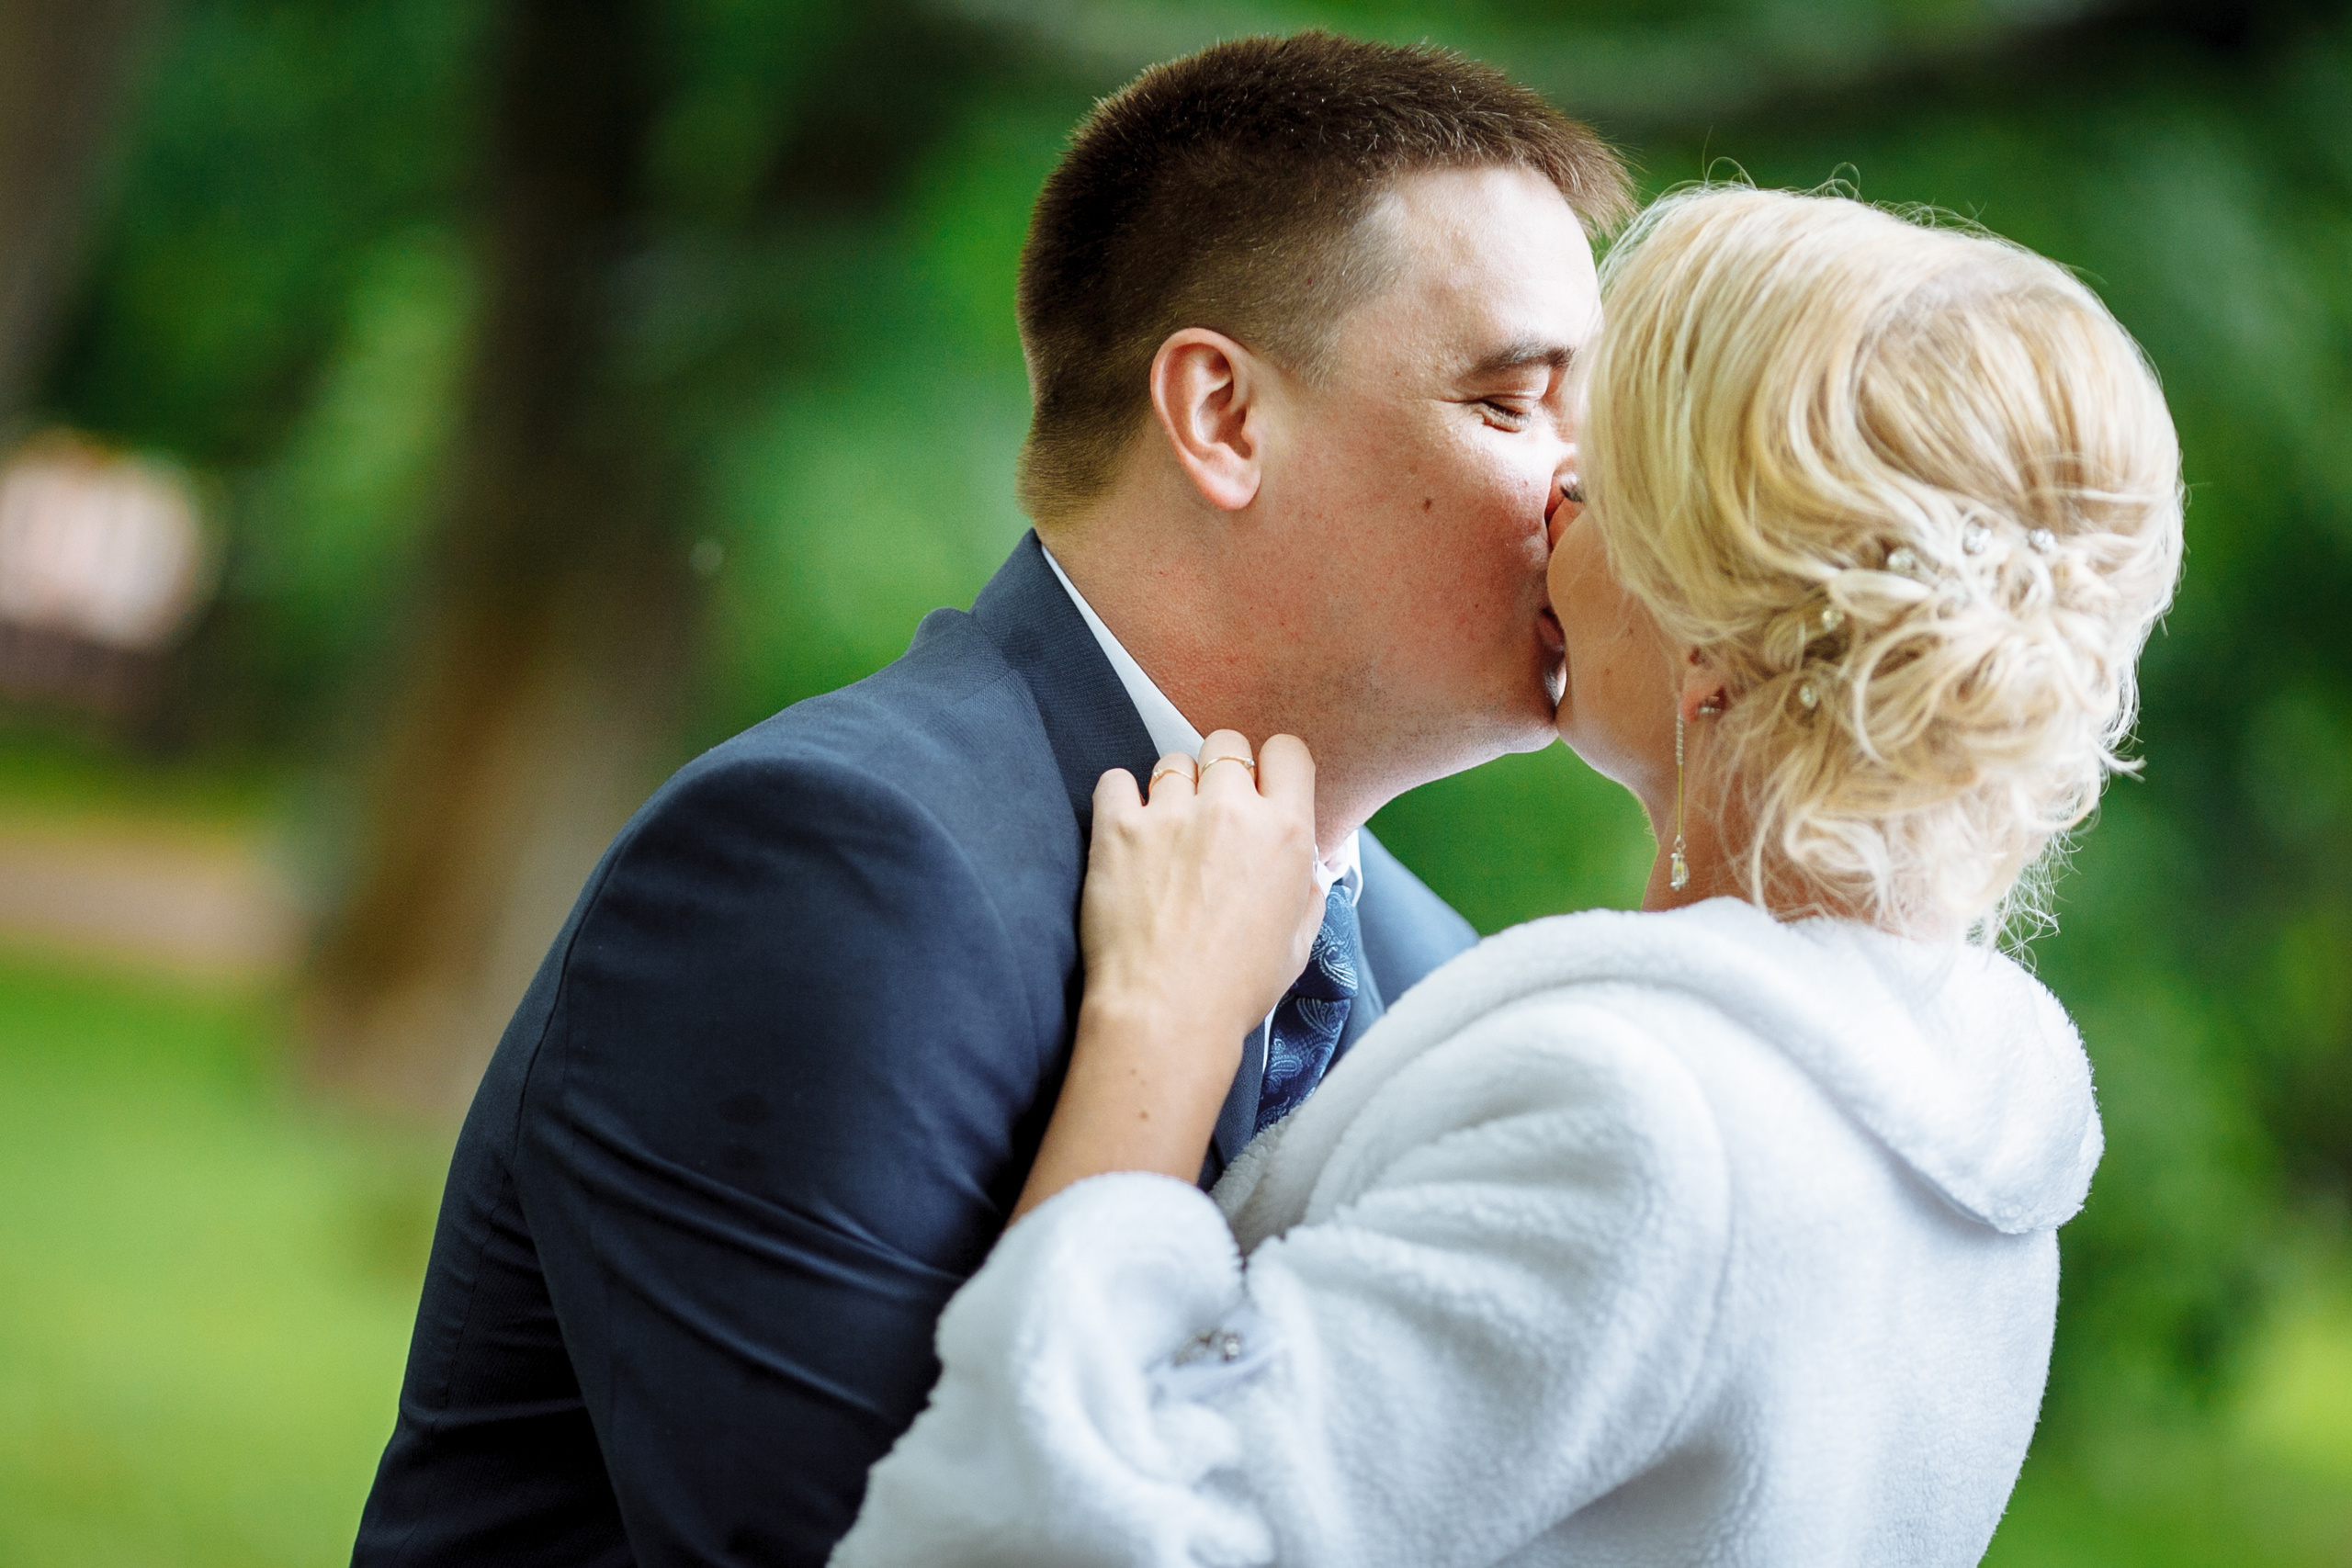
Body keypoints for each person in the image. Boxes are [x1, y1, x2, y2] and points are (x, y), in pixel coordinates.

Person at [350, 34, 1632, 1568]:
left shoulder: (1444, 979)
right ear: (1223, 416)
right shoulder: (826, 869)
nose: (1588, 495)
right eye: (1511, 406)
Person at [830, 186, 2187, 1566]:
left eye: (1598, 477)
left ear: (1713, 633)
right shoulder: (1965, 1149)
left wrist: (1162, 1033)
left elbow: (1029, 1544)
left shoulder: (1639, 1124)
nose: (1548, 507)